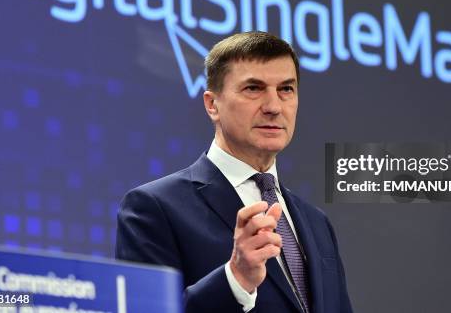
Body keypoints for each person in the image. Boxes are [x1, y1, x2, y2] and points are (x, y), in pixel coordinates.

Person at [116, 32, 353, 313]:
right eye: (253, 88)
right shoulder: (154, 208)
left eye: (286, 89)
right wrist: (235, 279)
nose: (274, 107)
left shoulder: (317, 223)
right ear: (212, 104)